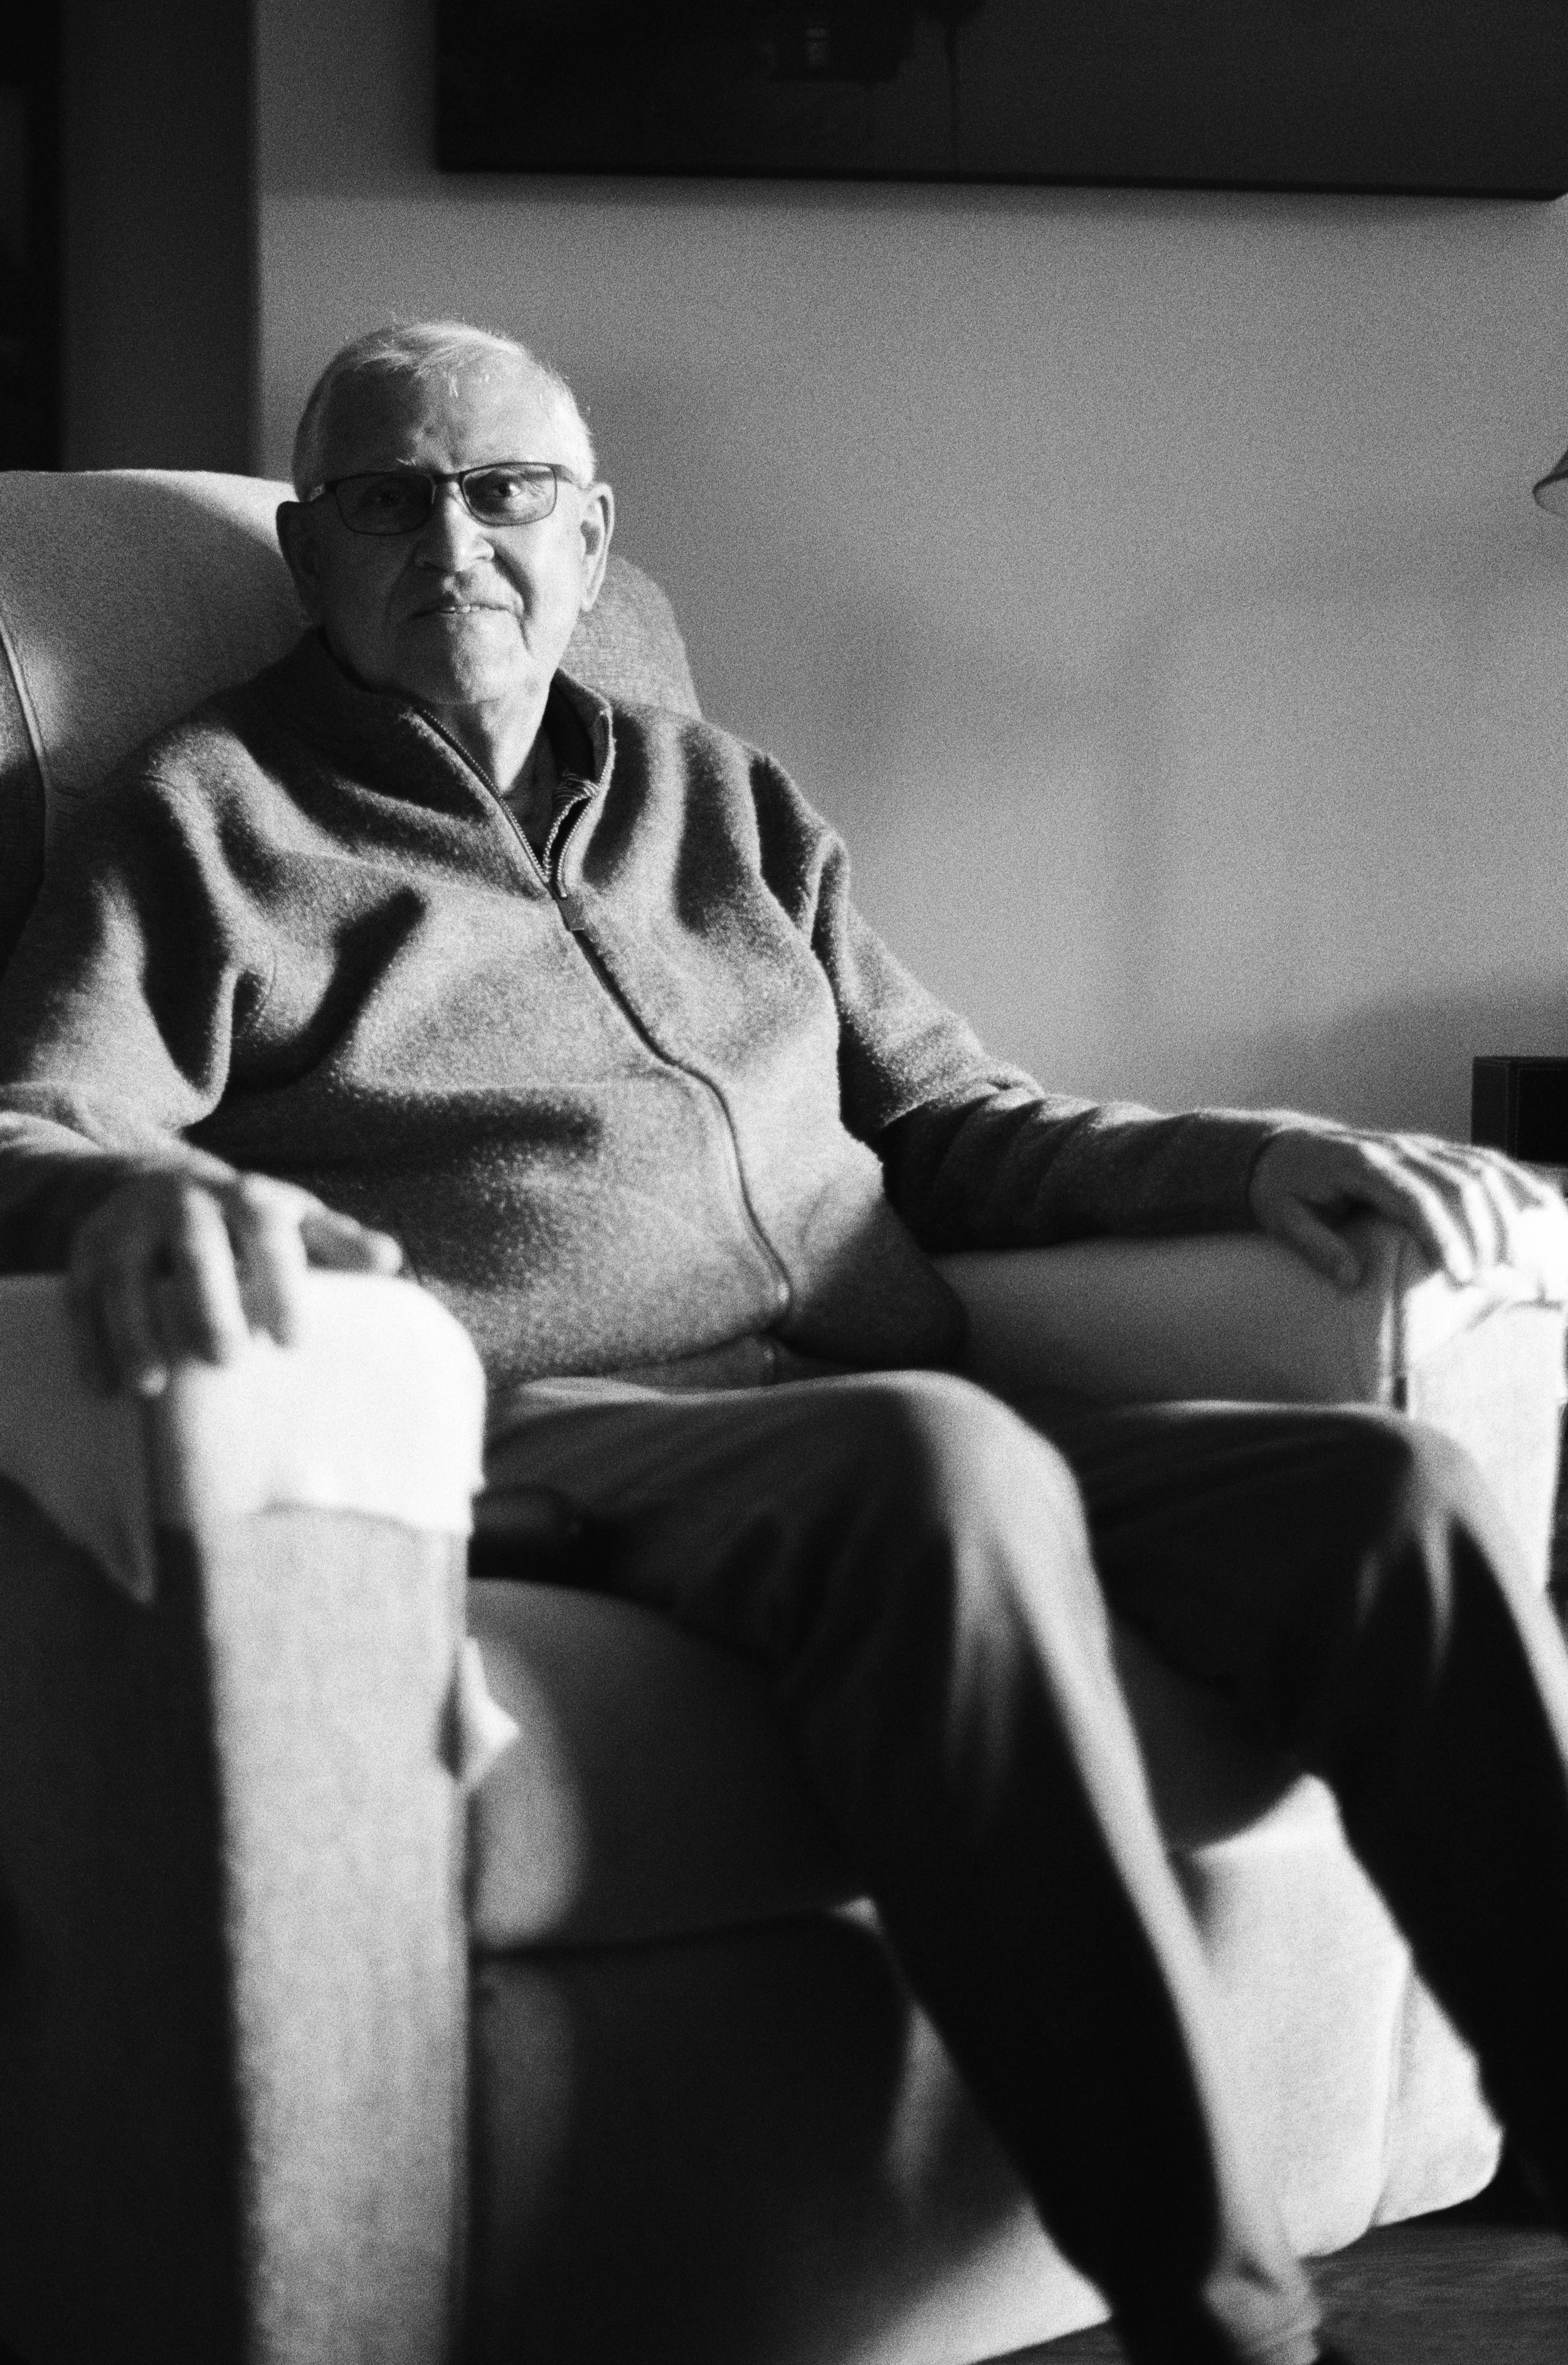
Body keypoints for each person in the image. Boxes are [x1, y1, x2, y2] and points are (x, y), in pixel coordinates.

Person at [1, 317, 1565, 2365]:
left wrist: (1251, 1157)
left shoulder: (717, 800)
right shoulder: (206, 821)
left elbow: (950, 1119)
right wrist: (142, 1193)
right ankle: (1227, 2322)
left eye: (502, 493)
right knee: (937, 1458)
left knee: (1386, 1495)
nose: (449, 538)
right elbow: (37, 1110)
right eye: (387, 498)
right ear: (310, 550)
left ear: (589, 538)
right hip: (547, 1427)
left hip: (861, 1402)